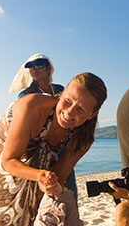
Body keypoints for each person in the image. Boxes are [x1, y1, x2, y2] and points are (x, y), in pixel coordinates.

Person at [0, 72, 107, 226]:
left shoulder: (83, 139)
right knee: (5, 224)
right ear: (61, 94)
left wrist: (47, 183)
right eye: (67, 101)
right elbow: (8, 161)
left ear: (92, 115)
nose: (69, 112)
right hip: (4, 158)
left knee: (42, 219)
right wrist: (39, 174)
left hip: (42, 168)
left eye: (80, 110)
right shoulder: (31, 107)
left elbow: (57, 176)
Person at [10, 54, 78, 201]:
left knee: (68, 190)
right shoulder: (26, 95)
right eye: (30, 66)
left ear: (48, 68)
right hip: (36, 150)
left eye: (39, 64)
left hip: (61, 146)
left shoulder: (60, 89)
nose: (34, 69)